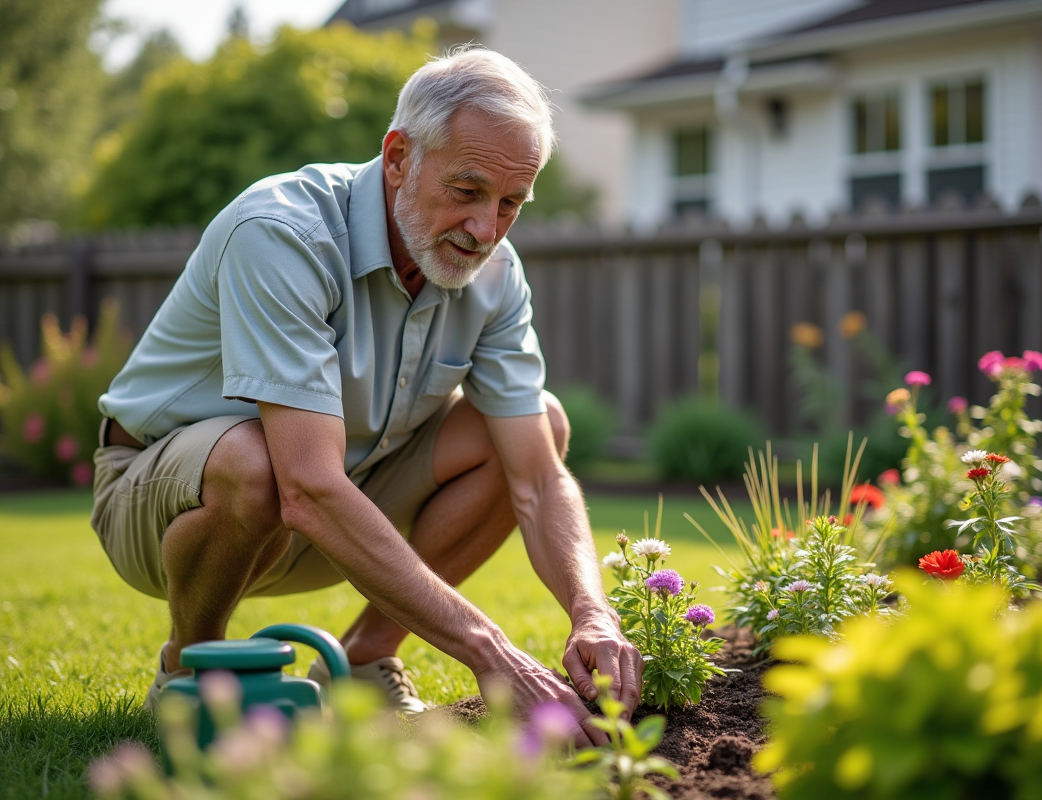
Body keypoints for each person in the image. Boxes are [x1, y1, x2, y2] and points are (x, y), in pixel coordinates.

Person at [90, 46, 641, 746]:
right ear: (398, 157)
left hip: (337, 495)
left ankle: (363, 660)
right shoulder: (282, 233)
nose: (487, 230)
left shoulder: (496, 274)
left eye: (511, 204)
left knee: (539, 427)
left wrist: (594, 612)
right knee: (258, 462)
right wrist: (490, 652)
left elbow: (536, 476)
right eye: (468, 191)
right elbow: (306, 487)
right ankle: (193, 671)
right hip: (170, 503)